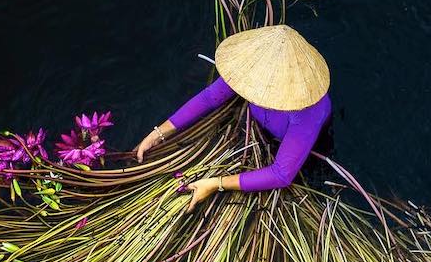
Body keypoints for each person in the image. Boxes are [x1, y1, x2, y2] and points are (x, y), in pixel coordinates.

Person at [134, 24, 331, 202]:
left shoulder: (308, 111)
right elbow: (210, 98)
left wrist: (214, 184)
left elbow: (282, 174)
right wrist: (159, 133)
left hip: (304, 143)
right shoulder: (250, 69)